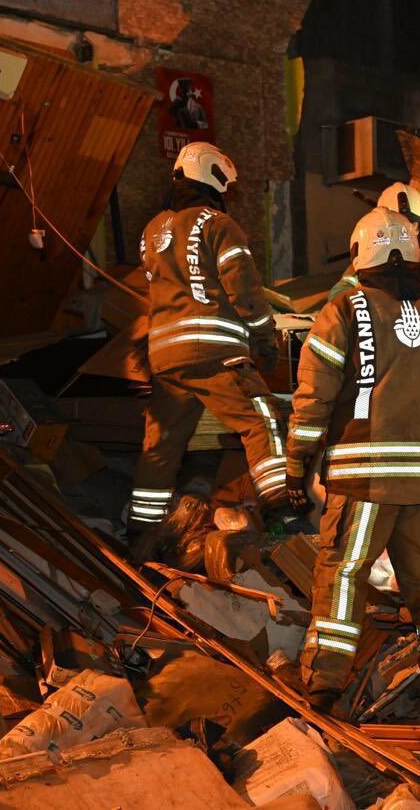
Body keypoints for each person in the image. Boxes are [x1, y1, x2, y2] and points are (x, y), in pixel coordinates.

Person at [287, 207, 420, 711]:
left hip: (366, 474)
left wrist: (296, 461)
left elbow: (314, 395)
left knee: (344, 573)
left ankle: (324, 682)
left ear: (358, 255)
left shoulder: (345, 309)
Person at [128, 142, 292, 547]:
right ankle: (283, 510)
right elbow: (245, 289)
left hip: (165, 358)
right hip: (214, 352)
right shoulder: (219, 225)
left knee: (160, 447)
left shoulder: (152, 231)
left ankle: (141, 531)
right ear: (213, 176)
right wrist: (264, 336)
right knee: (261, 421)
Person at [327, 182, 420, 302]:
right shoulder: (370, 257)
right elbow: (339, 294)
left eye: (411, 225)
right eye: (398, 226)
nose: (406, 232)